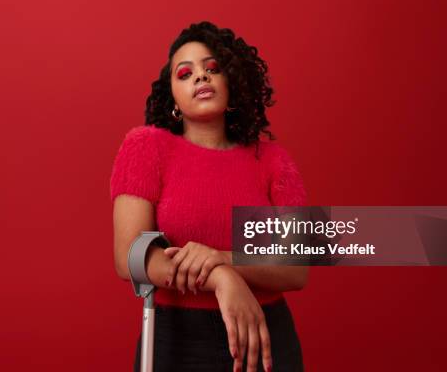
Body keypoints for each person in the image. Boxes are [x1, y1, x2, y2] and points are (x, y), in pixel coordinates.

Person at [110, 21, 308, 372]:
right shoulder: (147, 147)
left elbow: (296, 267)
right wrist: (221, 277)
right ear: (172, 98)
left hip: (263, 337)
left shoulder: (274, 160)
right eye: (185, 74)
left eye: (212, 69)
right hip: (176, 340)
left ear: (232, 81)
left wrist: (221, 257)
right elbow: (129, 258)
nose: (200, 77)